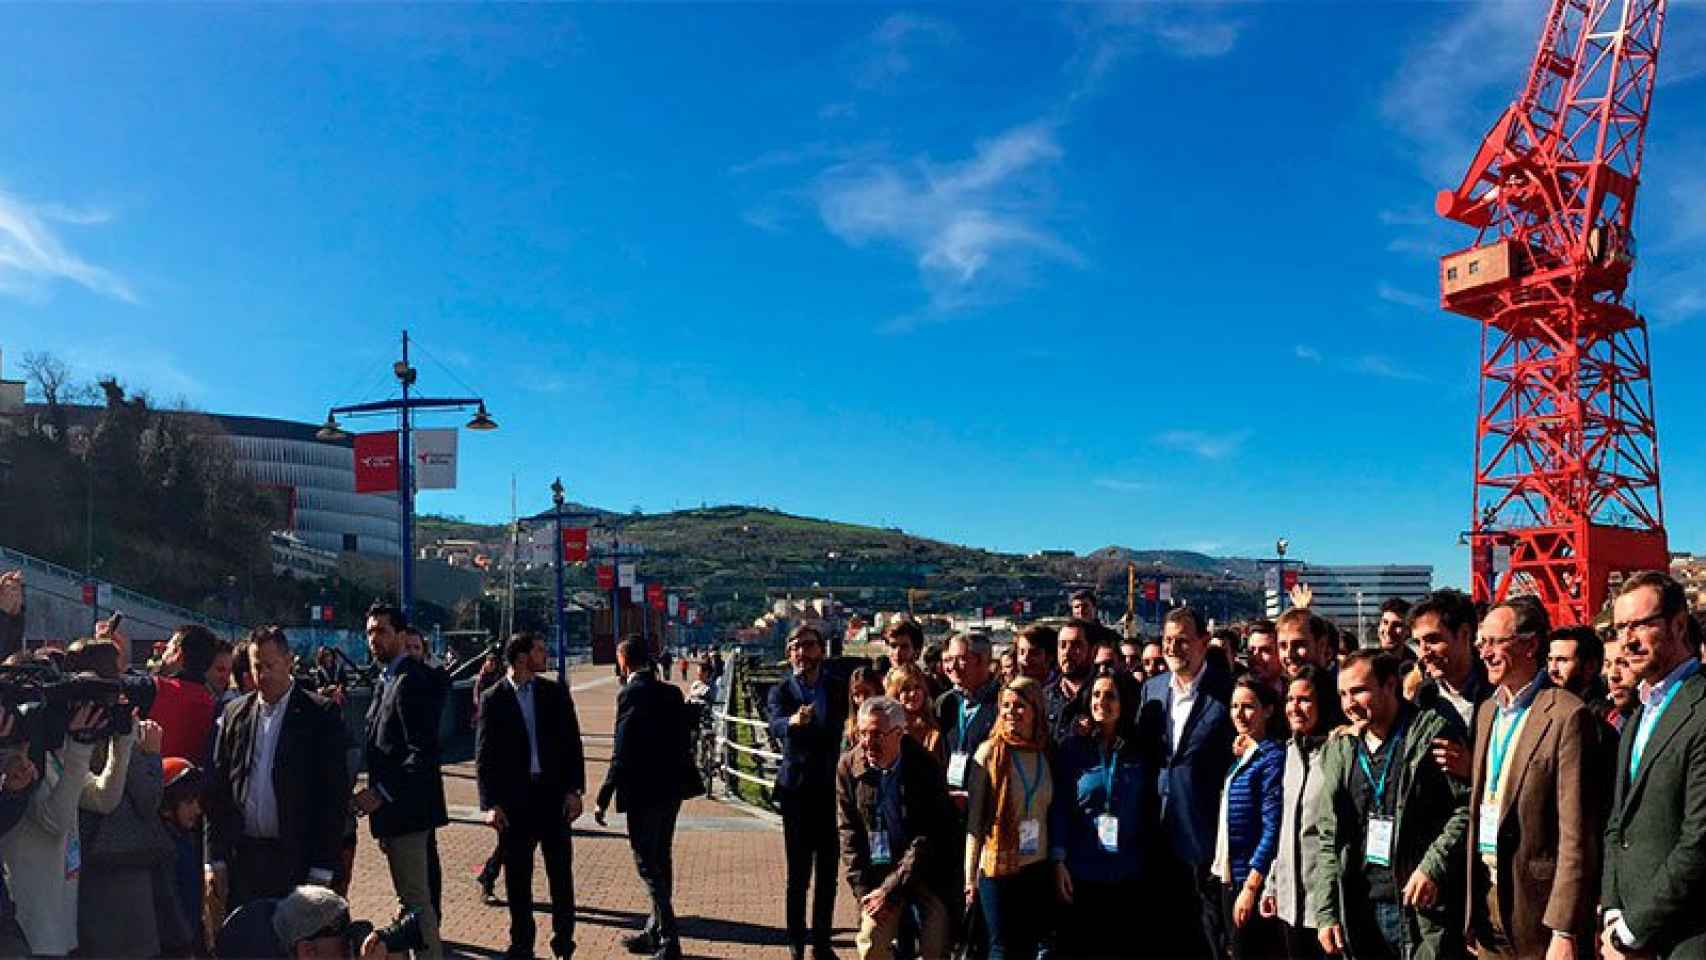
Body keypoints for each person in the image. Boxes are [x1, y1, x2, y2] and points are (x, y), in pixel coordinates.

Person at [1464, 596, 1600, 959]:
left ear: (1530, 644)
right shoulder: (1487, 711)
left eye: (1494, 642)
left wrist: (1564, 928)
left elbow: (1577, 834)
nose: (1484, 653)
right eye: (1481, 643)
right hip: (1488, 902)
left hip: (1539, 913)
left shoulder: (1568, 715)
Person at [1312, 651, 1470, 960]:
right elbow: (1330, 837)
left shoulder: (1431, 733)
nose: (1349, 703)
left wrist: (1432, 866)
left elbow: (1464, 808)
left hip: (1420, 911)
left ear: (1389, 685)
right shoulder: (1342, 748)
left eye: (1358, 690)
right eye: (1342, 694)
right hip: (1360, 911)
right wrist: (1327, 912)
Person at [205, 626, 350, 911]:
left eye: (271, 665)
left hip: (297, 859)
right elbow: (218, 789)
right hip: (243, 858)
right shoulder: (234, 714)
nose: (264, 674)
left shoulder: (320, 715)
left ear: (289, 661)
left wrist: (321, 870)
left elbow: (333, 797)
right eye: (257, 666)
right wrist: (214, 860)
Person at [1600, 571, 1706, 959]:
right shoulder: (1640, 712)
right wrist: (1613, 911)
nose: (1627, 640)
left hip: (1687, 938)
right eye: (1619, 628)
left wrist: (1631, 930)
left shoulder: (1701, 710)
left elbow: (1699, 841)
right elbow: (1618, 823)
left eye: (1640, 625)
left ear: (1679, 625)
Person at [476, 630, 586, 960]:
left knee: (560, 876)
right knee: (518, 880)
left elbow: (572, 743)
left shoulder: (554, 693)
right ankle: (522, 944)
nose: (545, 655)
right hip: (515, 802)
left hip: (552, 798)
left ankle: (563, 941)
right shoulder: (493, 698)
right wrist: (490, 804)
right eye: (539, 650)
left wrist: (574, 790)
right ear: (522, 657)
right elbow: (485, 755)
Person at [596, 637, 700, 960]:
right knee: (661, 857)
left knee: (646, 864)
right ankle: (655, 930)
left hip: (643, 792)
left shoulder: (629, 695)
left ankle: (669, 939)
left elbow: (622, 750)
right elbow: (686, 737)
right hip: (671, 790)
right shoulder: (671, 692)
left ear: (624, 661)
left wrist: (603, 796)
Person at [1141, 606, 1235, 959]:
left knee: (1207, 935)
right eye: (1167, 641)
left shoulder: (1226, 693)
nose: (1173, 649)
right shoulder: (1151, 690)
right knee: (1165, 932)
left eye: (1182, 641)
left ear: (1203, 642)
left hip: (1203, 833)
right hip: (1157, 832)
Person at [356, 603, 448, 958]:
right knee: (408, 902)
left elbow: (422, 750)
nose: (373, 639)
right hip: (396, 815)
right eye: (369, 632)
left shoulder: (409, 680)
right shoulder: (388, 679)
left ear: (401, 635)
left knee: (416, 905)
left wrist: (381, 793)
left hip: (408, 812)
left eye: (381, 631)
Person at [836, 696, 958, 960]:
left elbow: (926, 838)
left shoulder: (924, 767)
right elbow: (848, 834)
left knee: (934, 948)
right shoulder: (848, 767)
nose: (868, 742)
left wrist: (890, 889)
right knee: (870, 942)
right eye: (863, 733)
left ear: (899, 734)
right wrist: (864, 893)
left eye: (877, 734)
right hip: (879, 873)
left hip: (927, 871)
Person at [73, 638, 170, 959]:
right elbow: (148, 800)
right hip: (124, 867)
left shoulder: (66, 723)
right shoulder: (120, 724)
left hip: (80, 867)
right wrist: (152, 755)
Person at [1049, 669, 1148, 960]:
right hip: (1081, 871)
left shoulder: (1138, 750)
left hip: (1127, 873)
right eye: (1096, 695)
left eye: (1110, 696)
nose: (1101, 702)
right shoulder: (1072, 749)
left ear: (1124, 703)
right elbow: (1060, 808)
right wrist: (1058, 860)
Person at [767, 623, 848, 960]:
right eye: (797, 647)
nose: (803, 652)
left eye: (810, 645)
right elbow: (774, 725)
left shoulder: (837, 688)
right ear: (789, 654)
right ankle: (796, 943)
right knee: (798, 874)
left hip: (830, 791)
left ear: (821, 651)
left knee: (828, 873)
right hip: (796, 791)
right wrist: (791, 724)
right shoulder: (781, 692)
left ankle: (822, 943)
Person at [0, 702, 101, 956]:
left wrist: (122, 742)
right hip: (31, 925)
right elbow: (56, 821)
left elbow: (104, 798)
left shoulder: (44, 758)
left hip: (55, 921)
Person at [964, 677, 1053, 960]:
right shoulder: (989, 753)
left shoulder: (1044, 753)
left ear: (1035, 709)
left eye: (1019, 706)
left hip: (1036, 866)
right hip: (996, 868)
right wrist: (969, 878)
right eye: (1006, 706)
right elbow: (975, 822)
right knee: (1000, 947)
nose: (1011, 713)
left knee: (1027, 946)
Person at [1262, 666, 1336, 960]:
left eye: (1305, 699)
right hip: (1289, 902)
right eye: (1290, 699)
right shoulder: (1290, 752)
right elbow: (1285, 827)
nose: (1295, 707)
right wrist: (1272, 884)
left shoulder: (1338, 750)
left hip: (1325, 907)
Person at [1219, 678, 1285, 960]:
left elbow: (1272, 827)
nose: (1239, 714)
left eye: (1248, 707)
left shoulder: (1272, 758)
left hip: (1250, 879)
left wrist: (1251, 886)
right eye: (1234, 706)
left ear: (1267, 711)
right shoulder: (1244, 754)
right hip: (1229, 875)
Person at [1410, 588, 1490, 733]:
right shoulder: (1423, 697)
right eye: (1418, 643)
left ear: (1464, 634)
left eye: (1433, 640)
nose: (1423, 653)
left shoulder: (1498, 694)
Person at [935, 632, 1000, 801]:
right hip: (951, 800)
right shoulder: (945, 703)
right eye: (949, 660)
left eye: (960, 659)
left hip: (987, 801)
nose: (952, 667)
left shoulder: (1003, 704)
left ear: (981, 661)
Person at [153, 623, 221, 767]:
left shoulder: (156, 689)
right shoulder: (215, 705)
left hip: (152, 781)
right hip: (193, 785)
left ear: (178, 654)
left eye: (168, 648)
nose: (163, 652)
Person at [157, 757, 206, 957]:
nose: (197, 809)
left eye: (197, 801)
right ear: (167, 806)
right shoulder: (163, 849)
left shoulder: (187, 840)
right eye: (188, 802)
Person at [1045, 619, 1098, 746]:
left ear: (1093, 651)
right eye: (1062, 645)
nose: (1067, 652)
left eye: (1076, 645)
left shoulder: (1103, 695)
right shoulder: (1045, 697)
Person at [884, 663, 944, 765]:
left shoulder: (934, 730)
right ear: (895, 694)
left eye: (917, 687)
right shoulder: (886, 729)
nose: (912, 693)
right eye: (905, 689)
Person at [844, 667, 885, 753]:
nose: (862, 699)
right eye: (856, 695)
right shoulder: (850, 727)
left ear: (877, 691)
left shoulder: (888, 721)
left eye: (866, 693)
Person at [1246, 621, 1285, 696]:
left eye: (1265, 650)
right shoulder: (1236, 692)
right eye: (1251, 650)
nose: (1256, 657)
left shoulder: (1295, 692)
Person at [1377, 598, 1415, 664]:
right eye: (1385, 622)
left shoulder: (1418, 667)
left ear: (1408, 630)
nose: (1388, 630)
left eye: (1397, 625)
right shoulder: (1364, 664)